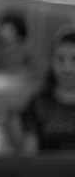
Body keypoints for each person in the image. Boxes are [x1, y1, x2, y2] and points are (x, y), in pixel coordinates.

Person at [10, 25, 75, 153]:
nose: (67, 68)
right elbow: (30, 153)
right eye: (60, 59)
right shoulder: (39, 103)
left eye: (74, 60)